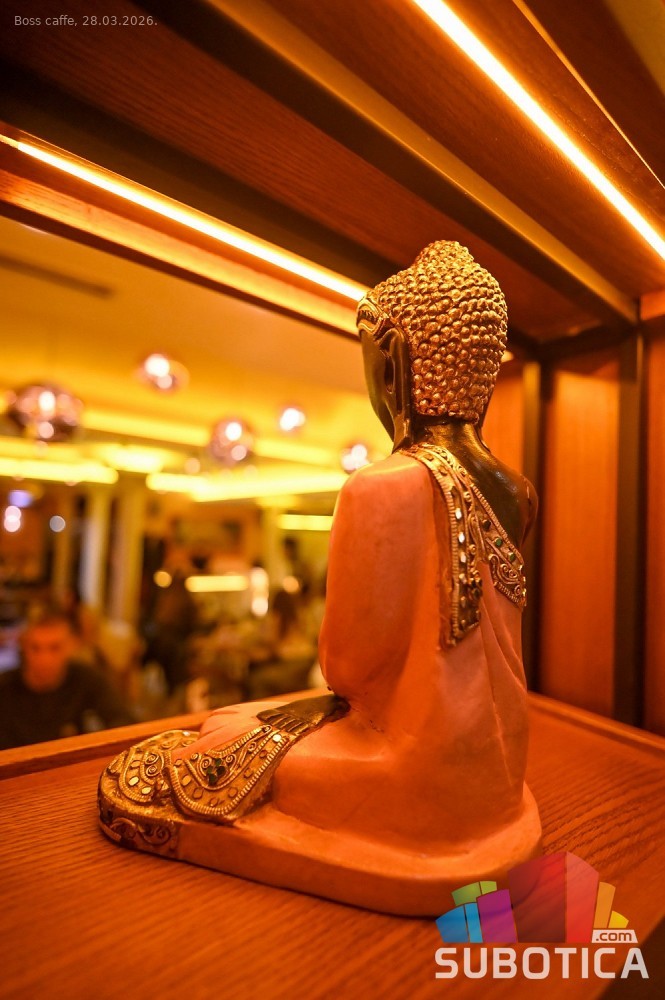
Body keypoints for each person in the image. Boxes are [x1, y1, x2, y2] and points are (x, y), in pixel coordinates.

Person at [99, 242, 542, 914]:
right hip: (496, 776)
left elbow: (349, 668)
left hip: (414, 778)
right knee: (237, 723)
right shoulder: (519, 491)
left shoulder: (384, 486)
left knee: (201, 749)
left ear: (392, 359)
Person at [0, 607, 132, 749]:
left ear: (71, 646)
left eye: (55, 648)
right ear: (23, 647)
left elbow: (122, 721)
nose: (44, 659)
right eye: (35, 648)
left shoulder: (86, 679)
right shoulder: (5, 686)